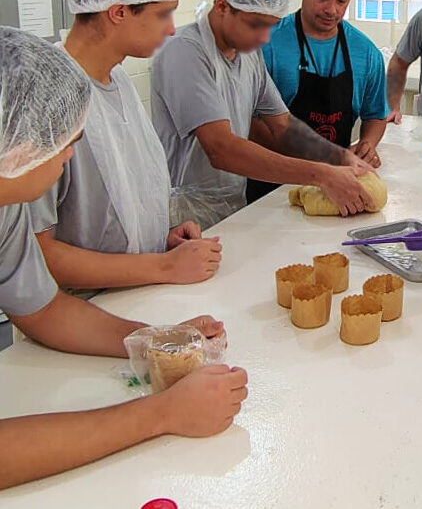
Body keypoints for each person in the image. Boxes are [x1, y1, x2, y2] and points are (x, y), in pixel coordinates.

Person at [0, 27, 247, 490]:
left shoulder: (7, 204)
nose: (71, 154)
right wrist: (160, 414)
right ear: (19, 149)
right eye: (65, 144)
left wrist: (159, 340)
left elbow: (44, 310)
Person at [29, 0, 222, 291]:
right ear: (118, 12)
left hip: (136, 291)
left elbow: (115, 202)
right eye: (163, 14)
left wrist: (160, 239)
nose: (170, 29)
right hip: (78, 314)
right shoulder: (47, 96)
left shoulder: (118, 80)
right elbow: (37, 255)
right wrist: (163, 267)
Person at [151, 0, 375, 231]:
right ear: (222, 7)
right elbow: (221, 148)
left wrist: (339, 157)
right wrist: (321, 174)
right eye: (256, 25)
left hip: (232, 205)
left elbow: (284, 126)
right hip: (184, 214)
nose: (265, 38)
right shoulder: (185, 52)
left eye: (271, 26)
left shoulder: (247, 54)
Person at [259, 0, 389, 173]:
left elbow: (375, 115)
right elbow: (250, 123)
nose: (332, 10)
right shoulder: (267, 44)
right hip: (274, 177)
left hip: (337, 177)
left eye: (342, 0)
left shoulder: (366, 53)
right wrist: (306, 157)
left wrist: (367, 144)